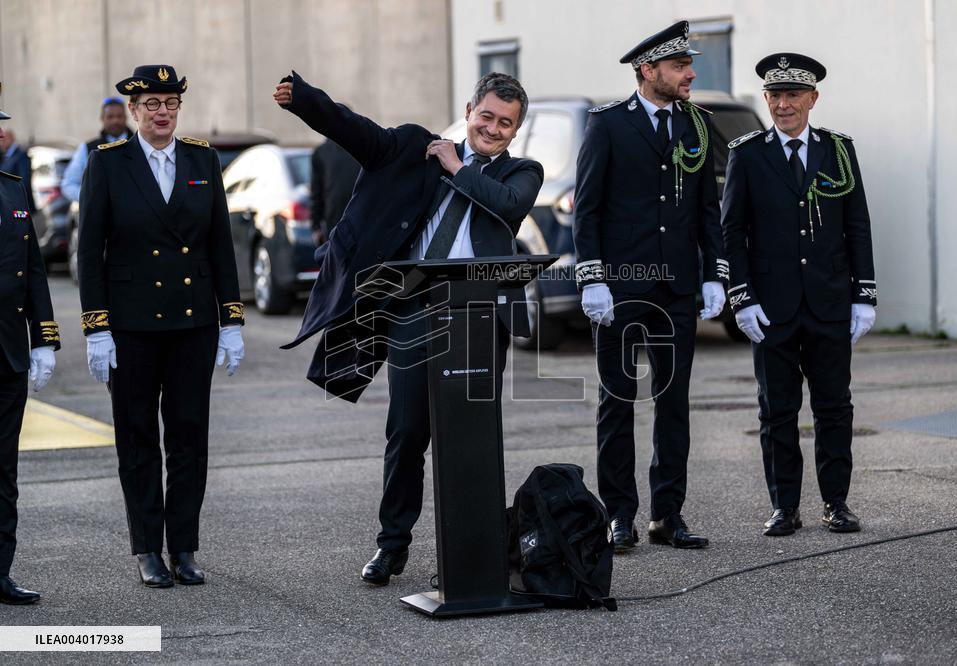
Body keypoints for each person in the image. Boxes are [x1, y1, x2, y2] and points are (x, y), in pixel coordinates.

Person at [273, 70, 542, 585]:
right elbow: (356, 130)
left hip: (479, 319)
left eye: (505, 124)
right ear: (469, 111)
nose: (492, 129)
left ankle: (473, 554)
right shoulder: (418, 150)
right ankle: (392, 545)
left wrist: (456, 165)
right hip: (414, 312)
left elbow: (507, 206)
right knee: (406, 433)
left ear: (516, 130)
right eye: (486, 116)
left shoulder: (521, 171)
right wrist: (305, 100)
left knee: (471, 436)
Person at [77, 65, 246, 587]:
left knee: (189, 438)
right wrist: (96, 327)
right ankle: (148, 548)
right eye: (151, 103)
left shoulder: (202, 159)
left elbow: (219, 243)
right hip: (131, 326)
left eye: (170, 102)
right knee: (138, 440)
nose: (163, 111)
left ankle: (185, 548)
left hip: (192, 323)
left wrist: (231, 318)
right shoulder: (108, 163)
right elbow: (89, 251)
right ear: (133, 110)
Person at [573, 20, 727, 553]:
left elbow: (708, 209)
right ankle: (619, 514)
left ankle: (668, 513)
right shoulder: (608, 124)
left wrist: (714, 273)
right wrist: (592, 278)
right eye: (679, 66)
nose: (689, 75)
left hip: (677, 288)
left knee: (673, 402)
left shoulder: (698, 125)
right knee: (617, 402)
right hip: (620, 288)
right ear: (648, 70)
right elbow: (587, 209)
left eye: (689, 66)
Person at [721, 53, 877, 537]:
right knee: (777, 411)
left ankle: (836, 503)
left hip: (829, 301)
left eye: (793, 95)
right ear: (766, 99)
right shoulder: (748, 153)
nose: (783, 105)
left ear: (813, 98)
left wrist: (864, 294)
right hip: (772, 307)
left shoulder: (838, 150)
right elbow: (732, 232)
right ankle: (784, 506)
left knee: (834, 407)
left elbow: (857, 225)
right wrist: (742, 297)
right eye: (775, 95)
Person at [0, 94, 60, 604]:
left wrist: (44, 339)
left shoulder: (12, 188)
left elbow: (33, 270)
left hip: (7, 354)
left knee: (4, 472)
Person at [60, 96, 132, 204]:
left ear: (126, 118)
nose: (115, 121)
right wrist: (91, 199)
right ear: (102, 119)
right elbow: (68, 184)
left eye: (119, 116)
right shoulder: (88, 148)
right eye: (110, 117)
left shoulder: (140, 144)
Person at [310, 138, 360, 243]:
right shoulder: (364, 146)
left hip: (338, 220)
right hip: (351, 219)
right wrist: (316, 225)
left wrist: (316, 226)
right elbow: (316, 192)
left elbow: (316, 193)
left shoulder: (321, 152)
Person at [0, 130, 33, 213]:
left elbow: (24, 182)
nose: (1, 143)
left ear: (11, 139)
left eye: (3, 140)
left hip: (19, 206)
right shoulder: (6, 156)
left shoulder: (21, 155)